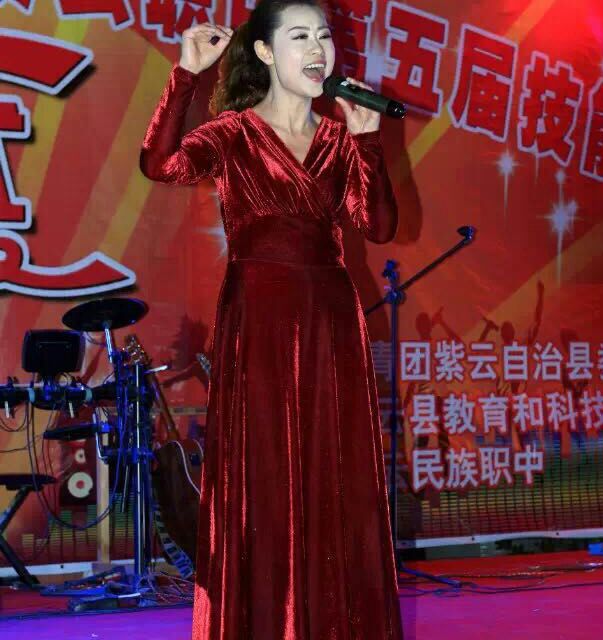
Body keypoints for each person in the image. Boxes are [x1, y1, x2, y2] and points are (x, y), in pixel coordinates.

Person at [140, 1, 404, 638]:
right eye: (300, 36)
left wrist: (368, 142)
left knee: (335, 479)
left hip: (331, 322)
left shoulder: (340, 138)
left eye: (324, 37)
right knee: (263, 480)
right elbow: (160, 163)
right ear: (264, 52)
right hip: (258, 321)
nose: (318, 49)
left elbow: (380, 227)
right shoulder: (232, 134)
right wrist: (186, 74)